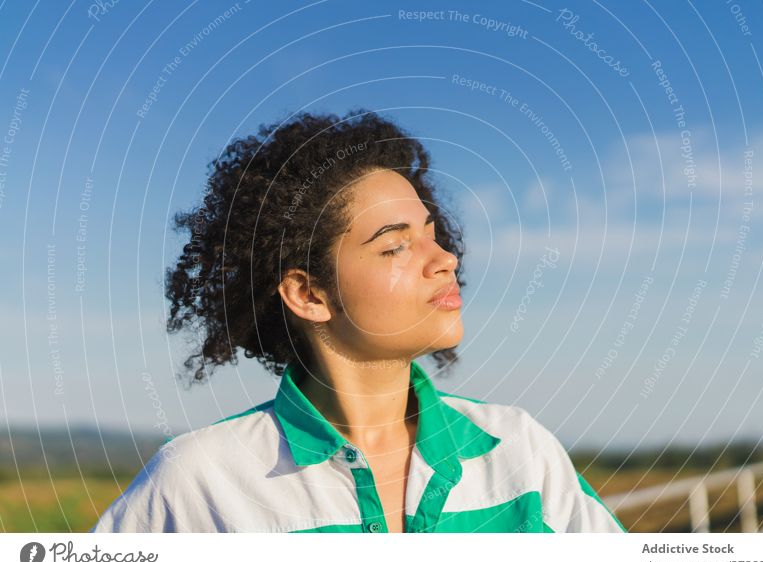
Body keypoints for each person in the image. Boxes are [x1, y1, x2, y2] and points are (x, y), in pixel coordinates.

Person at [91, 109, 626, 533]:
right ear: (309, 294)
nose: (445, 259)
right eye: (395, 246)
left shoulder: (519, 451)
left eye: (432, 233)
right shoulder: (199, 483)